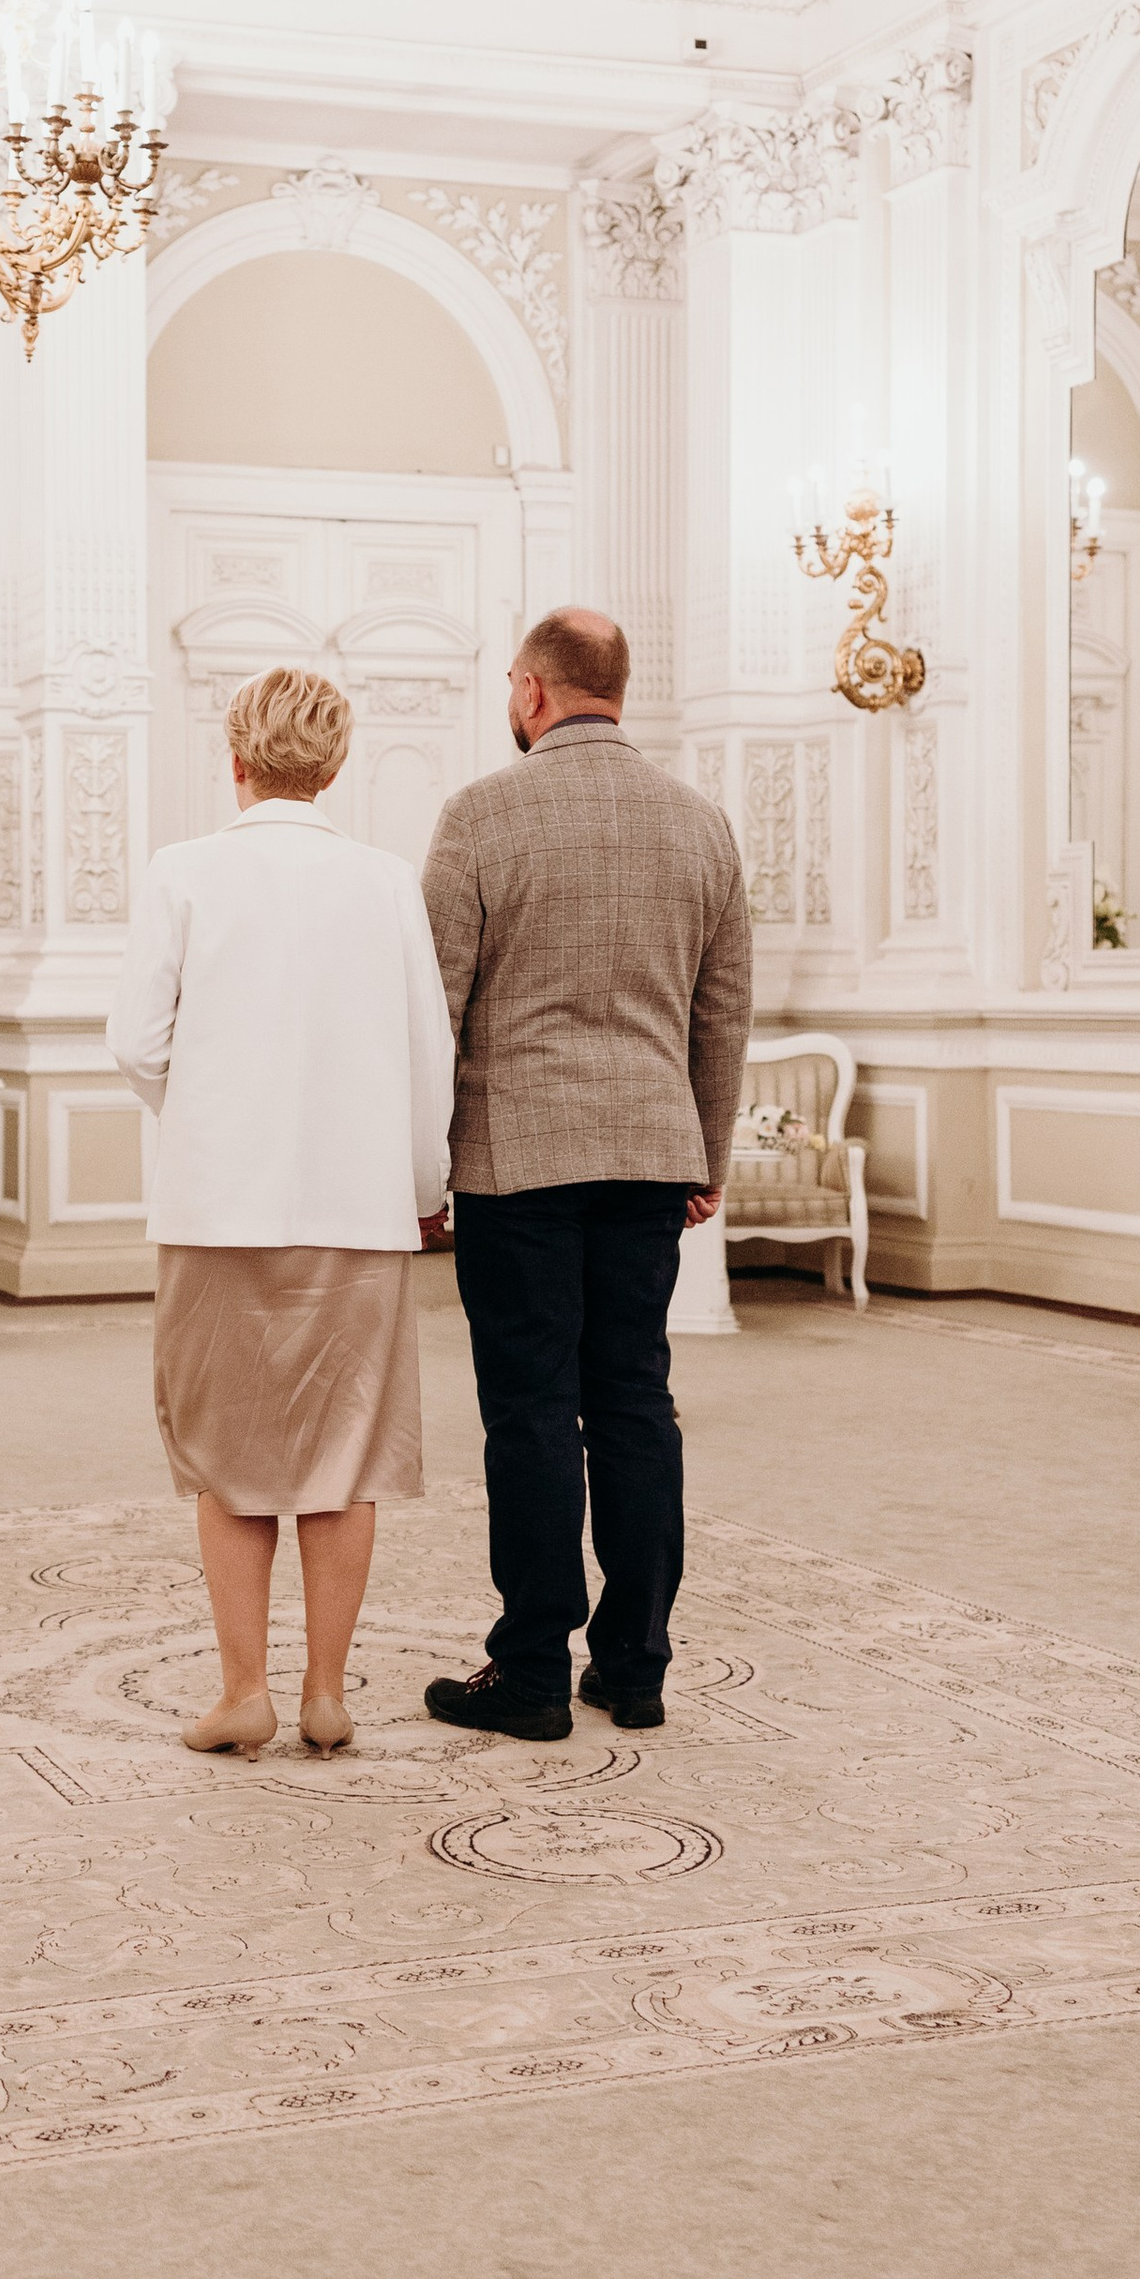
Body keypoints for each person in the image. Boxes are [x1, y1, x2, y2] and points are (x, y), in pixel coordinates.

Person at [418, 607, 751, 1743]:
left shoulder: (479, 814)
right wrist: (704, 1151)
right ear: (619, 687)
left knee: (530, 1413)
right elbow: (723, 1009)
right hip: (652, 1154)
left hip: (516, 1163)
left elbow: (435, 1007)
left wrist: (425, 1164)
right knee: (634, 1402)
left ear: (531, 691)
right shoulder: (700, 823)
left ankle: (531, 1672)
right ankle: (636, 1662)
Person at [108, 667, 454, 1759]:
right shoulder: (385, 881)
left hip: (218, 1205)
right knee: (343, 1458)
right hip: (357, 1208)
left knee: (229, 1457)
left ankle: (243, 1691)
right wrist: (421, 1190)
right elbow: (427, 1052)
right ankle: (326, 1694)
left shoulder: (182, 871)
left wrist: (206, 1115)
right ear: (336, 766)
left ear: (235, 759)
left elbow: (135, 1042)